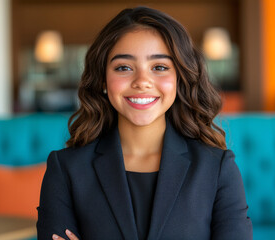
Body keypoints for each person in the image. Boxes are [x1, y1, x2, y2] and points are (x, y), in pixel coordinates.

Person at [37, 6, 252, 240]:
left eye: (159, 67)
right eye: (124, 68)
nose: (142, 81)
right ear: (103, 80)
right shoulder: (66, 169)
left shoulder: (217, 168)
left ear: (179, 79)